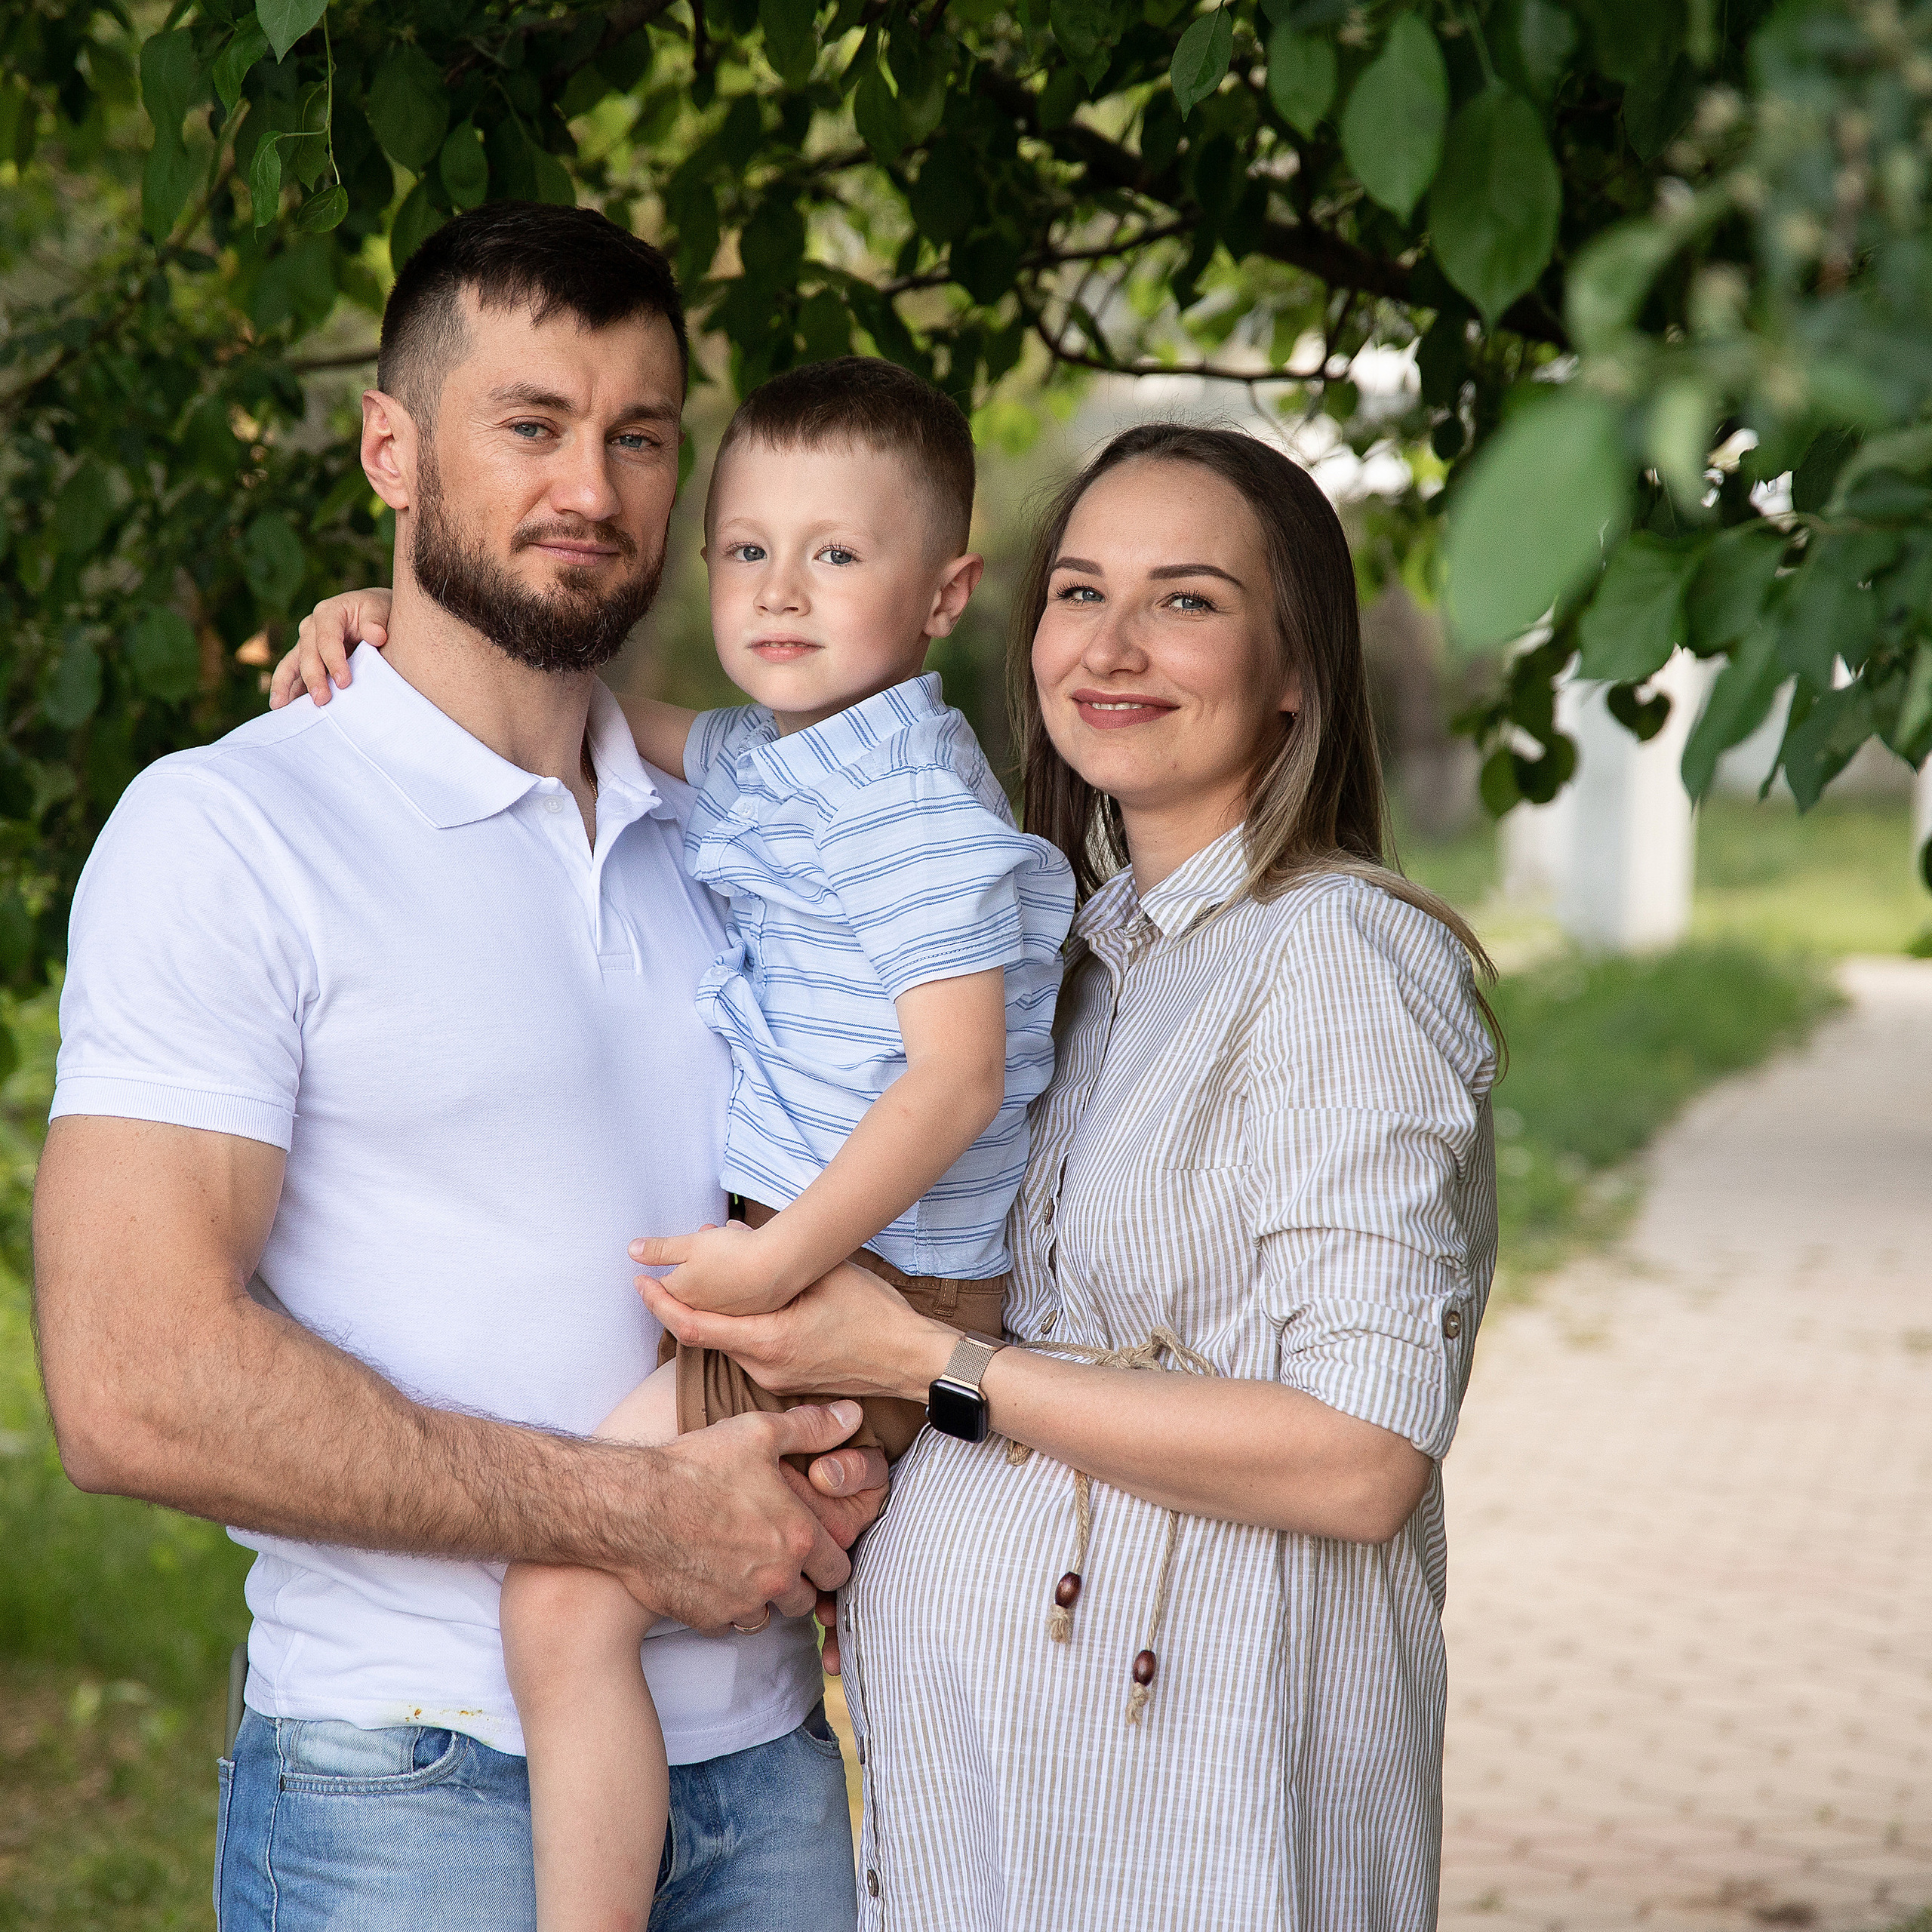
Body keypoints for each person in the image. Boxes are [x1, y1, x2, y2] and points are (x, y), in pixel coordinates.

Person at [30, 202, 888, 1932]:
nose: (593, 483)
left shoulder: (748, 830)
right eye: (532, 424)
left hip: (769, 1768)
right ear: (390, 447)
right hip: (413, 1787)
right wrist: (633, 1517)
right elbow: (129, 1380)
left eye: (638, 435)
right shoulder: (234, 831)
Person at [635, 423, 1502, 1931]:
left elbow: (1357, 1456)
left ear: (1293, 666)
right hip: (1003, 1803)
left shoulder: (1337, 960)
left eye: (1185, 599)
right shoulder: (1094, 951)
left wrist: (925, 1363)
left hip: (1199, 1817)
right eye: (1079, 591)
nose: (1111, 644)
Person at [275, 357, 1075, 1931]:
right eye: (743, 550)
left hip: (861, 1271)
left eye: (835, 555)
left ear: (942, 592)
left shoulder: (907, 796)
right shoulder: (792, 756)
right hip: (819, 1259)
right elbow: (600, 720)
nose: (779, 591)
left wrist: (778, 1263)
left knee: (566, 1601)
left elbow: (955, 1080)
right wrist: (381, 625)